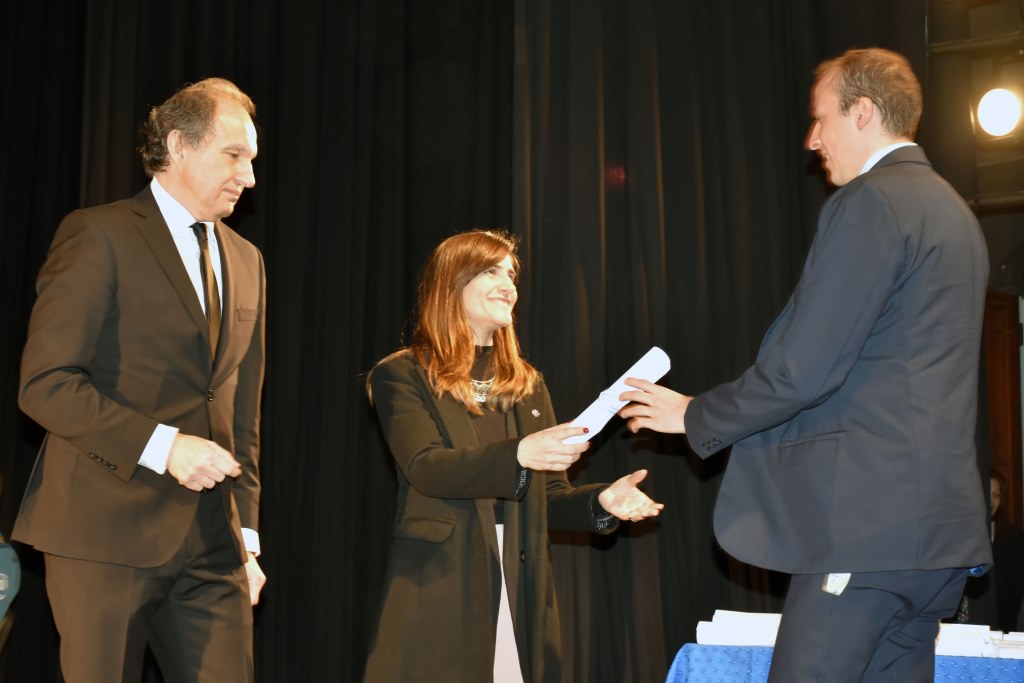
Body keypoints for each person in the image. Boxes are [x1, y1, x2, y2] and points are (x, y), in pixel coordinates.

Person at [619, 48, 992, 682]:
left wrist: (694, 413)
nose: (811, 138)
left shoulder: (874, 203)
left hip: (865, 534)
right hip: (935, 544)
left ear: (864, 113)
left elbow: (805, 368)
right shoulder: (956, 214)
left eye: (821, 118)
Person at [14, 77, 267, 682]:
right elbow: (45, 383)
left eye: (253, 160)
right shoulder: (97, 234)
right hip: (103, 533)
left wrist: (249, 540)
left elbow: (242, 413)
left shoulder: (247, 259)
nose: (249, 176)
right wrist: (165, 446)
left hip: (214, 544)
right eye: (234, 155)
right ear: (179, 146)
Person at [364, 229, 664, 682]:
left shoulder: (526, 384)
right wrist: (521, 453)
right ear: (451, 283)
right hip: (444, 584)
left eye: (511, 274)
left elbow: (549, 497)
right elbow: (426, 467)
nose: (509, 285)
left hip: (522, 584)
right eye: (490, 271)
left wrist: (601, 502)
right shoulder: (402, 374)